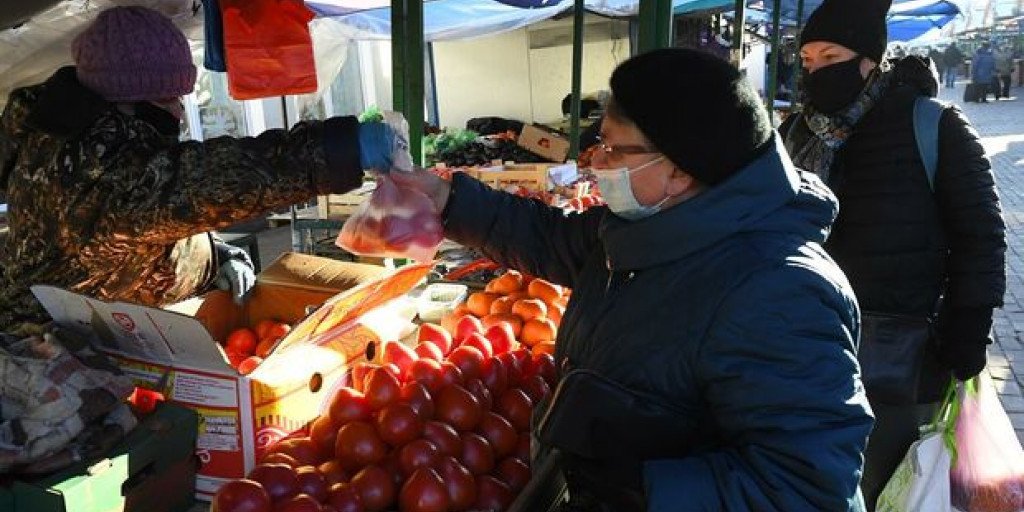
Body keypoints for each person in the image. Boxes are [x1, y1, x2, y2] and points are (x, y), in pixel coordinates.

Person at [396, 48, 873, 511]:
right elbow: (550, 238)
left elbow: (807, 488)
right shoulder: (651, 226)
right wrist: (446, 199)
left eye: (612, 149)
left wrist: (642, 488)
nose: (596, 163)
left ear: (681, 170)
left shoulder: (779, 294)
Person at [0, 6, 405, 334]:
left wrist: (212, 255)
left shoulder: (70, 135)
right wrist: (344, 147)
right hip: (53, 354)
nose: (178, 109)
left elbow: (145, 226)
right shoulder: (97, 166)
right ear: (120, 101)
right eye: (166, 98)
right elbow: (215, 178)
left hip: (99, 331)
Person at [780, 0, 1006, 509]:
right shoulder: (795, 133)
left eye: (830, 55)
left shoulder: (934, 125)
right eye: (809, 60)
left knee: (889, 482)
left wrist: (969, 325)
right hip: (802, 345)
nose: (817, 70)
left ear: (868, 60)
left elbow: (982, 234)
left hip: (900, 355)